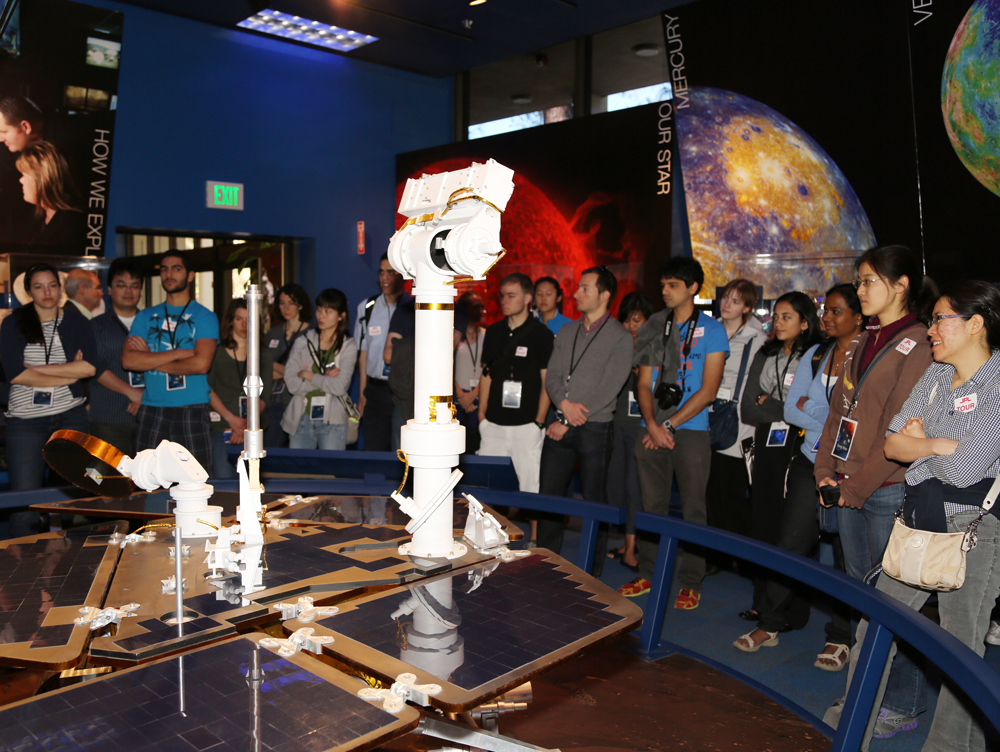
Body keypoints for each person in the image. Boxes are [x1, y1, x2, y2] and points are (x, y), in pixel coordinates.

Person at [828, 281, 1000, 752]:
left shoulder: (999, 383)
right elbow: (891, 443)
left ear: (975, 324)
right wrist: (936, 446)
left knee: (959, 651)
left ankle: (950, 747)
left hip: (974, 530)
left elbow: (966, 471)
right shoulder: (935, 375)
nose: (931, 332)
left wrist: (922, 442)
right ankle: (853, 726)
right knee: (877, 625)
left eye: (942, 319)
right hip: (919, 519)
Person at [815, 245, 936, 737]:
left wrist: (855, 488)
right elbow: (838, 410)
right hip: (845, 485)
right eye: (859, 281)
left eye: (869, 281)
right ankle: (867, 688)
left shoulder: (920, 344)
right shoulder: (863, 338)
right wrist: (825, 469)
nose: (860, 290)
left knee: (894, 606)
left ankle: (900, 702)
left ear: (901, 284)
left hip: (884, 489)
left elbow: (897, 428)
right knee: (863, 599)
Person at [735, 284, 862, 667]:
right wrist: (833, 420)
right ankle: (771, 622)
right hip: (811, 459)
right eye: (826, 310)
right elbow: (792, 409)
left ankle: (840, 637)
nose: (827, 317)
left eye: (836, 311)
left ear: (858, 317)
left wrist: (819, 411)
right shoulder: (817, 352)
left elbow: (863, 415)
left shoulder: (868, 355)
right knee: (791, 541)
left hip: (852, 466)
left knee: (846, 554)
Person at [619, 257, 728, 608]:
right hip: (651, 429)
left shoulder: (712, 329)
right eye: (662, 285)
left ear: (693, 288)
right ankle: (649, 573)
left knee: (694, 508)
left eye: (673, 286)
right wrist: (652, 425)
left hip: (691, 431)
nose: (664, 291)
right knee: (651, 507)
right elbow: (644, 383)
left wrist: (668, 425)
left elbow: (709, 390)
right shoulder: (654, 324)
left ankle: (691, 580)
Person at [735, 291, 820, 636]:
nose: (778, 322)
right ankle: (762, 601)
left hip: (800, 449)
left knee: (793, 532)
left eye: (787, 317)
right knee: (764, 523)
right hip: (768, 445)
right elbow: (747, 407)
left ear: (804, 322)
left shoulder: (815, 357)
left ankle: (792, 611)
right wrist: (784, 407)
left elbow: (806, 412)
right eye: (776, 316)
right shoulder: (765, 352)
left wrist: (770, 402)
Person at [538, 266, 633, 563]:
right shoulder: (567, 331)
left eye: (585, 288)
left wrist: (566, 419)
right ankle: (544, 561)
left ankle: (592, 569)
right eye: (578, 287)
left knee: (595, 502)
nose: (577, 294)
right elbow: (552, 376)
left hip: (594, 428)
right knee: (549, 499)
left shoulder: (620, 337)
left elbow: (609, 388)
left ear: (604, 295)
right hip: (560, 422)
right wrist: (564, 407)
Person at [0, 263, 97, 536]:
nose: (47, 292)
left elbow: (89, 368)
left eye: (52, 285)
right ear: (29, 291)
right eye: (39, 286)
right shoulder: (13, 323)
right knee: (24, 496)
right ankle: (21, 559)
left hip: (70, 415)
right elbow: (15, 374)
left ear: (60, 288)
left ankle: (68, 552)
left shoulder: (76, 321)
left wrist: (35, 372)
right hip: (25, 421)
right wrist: (68, 375)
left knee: (74, 489)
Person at [122, 250, 218, 472]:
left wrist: (150, 359)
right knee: (147, 481)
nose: (169, 274)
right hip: (152, 408)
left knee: (197, 482)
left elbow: (201, 364)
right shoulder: (145, 316)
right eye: (164, 269)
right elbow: (128, 360)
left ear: (191, 276)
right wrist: (179, 353)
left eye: (176, 269)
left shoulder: (204, 316)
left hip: (191, 408)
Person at [478, 273, 555, 494]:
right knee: (488, 487)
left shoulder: (542, 335)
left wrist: (538, 421)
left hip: (527, 424)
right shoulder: (493, 332)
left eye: (511, 296)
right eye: (502, 296)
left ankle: (533, 530)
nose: (505, 301)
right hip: (493, 423)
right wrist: (482, 416)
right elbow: (487, 374)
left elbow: (547, 381)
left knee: (529, 487)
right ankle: (490, 529)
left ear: (527, 298)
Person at [705, 279, 765, 545]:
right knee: (709, 491)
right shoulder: (709, 330)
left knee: (731, 491)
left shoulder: (757, 338)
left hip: (738, 420)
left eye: (736, 301)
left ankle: (743, 551)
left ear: (748, 307)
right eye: (726, 298)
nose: (727, 304)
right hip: (705, 413)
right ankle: (716, 553)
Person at [606, 291, 654, 570]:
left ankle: (632, 548)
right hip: (616, 424)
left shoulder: (654, 348)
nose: (632, 326)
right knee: (619, 486)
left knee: (636, 488)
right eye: (626, 320)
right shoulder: (616, 346)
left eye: (637, 320)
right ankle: (627, 542)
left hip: (640, 426)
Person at [282, 288, 357, 450]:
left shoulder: (348, 346)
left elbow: (339, 387)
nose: (321, 316)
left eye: (328, 311)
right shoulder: (303, 342)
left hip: (333, 423)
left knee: (332, 473)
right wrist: (324, 378)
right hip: (301, 419)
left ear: (341, 316)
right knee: (299, 472)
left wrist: (309, 375)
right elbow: (292, 384)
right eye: (319, 310)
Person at [208, 299, 274, 478]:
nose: (245, 324)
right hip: (223, 426)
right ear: (230, 321)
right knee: (224, 481)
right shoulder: (216, 353)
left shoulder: (263, 355)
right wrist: (232, 421)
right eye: (239, 319)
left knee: (253, 483)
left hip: (252, 430)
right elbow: (207, 389)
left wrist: (245, 425)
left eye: (249, 319)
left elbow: (264, 396)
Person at [88, 258, 145, 457]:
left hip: (150, 417)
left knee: (150, 483)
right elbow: (96, 368)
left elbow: (164, 365)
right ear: (110, 289)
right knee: (109, 482)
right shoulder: (95, 326)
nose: (128, 291)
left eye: (134, 286)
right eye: (121, 285)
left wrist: (144, 394)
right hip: (108, 419)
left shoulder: (152, 324)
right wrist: (132, 393)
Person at [354, 253, 410, 451]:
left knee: (401, 449)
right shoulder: (366, 308)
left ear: (402, 275)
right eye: (381, 272)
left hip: (402, 391)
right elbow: (363, 352)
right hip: (376, 391)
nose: (385, 278)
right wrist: (362, 392)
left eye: (391, 273)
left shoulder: (412, 308)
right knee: (374, 448)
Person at [263, 283, 312, 448]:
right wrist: (288, 372)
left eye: (291, 303)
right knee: (270, 449)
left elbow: (307, 374)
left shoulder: (311, 334)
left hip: (300, 401)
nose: (286, 308)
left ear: (300, 305)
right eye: (282, 303)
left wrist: (274, 366)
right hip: (274, 400)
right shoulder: (272, 334)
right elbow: (262, 370)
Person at [15, 141, 84, 248]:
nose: (21, 180)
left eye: (24, 174)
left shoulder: (70, 224)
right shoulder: (39, 220)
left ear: (42, 178)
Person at [0, 96, 44, 244]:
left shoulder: (67, 137)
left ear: (25, 126)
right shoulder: (7, 152)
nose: (1, 138)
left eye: (4, 131)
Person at [455, 291, 486, 454]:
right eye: (476, 307)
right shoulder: (454, 336)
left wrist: (474, 393)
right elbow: (445, 366)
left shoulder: (487, 335)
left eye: (482, 306)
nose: (480, 310)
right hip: (458, 400)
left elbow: (490, 368)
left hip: (479, 399)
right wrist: (460, 394)